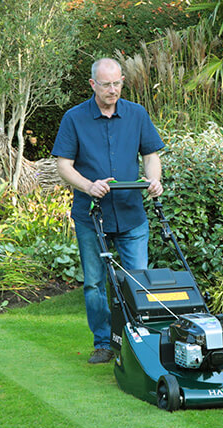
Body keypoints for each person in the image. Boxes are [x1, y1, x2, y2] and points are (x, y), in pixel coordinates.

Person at [52, 58, 165, 364]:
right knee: (93, 283)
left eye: (117, 83)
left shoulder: (136, 114)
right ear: (93, 85)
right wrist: (89, 186)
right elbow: (63, 165)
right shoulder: (74, 118)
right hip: (92, 215)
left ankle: (138, 339)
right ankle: (103, 342)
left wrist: (154, 179)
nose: (112, 90)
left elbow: (151, 155)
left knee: (137, 280)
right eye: (106, 85)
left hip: (131, 214)